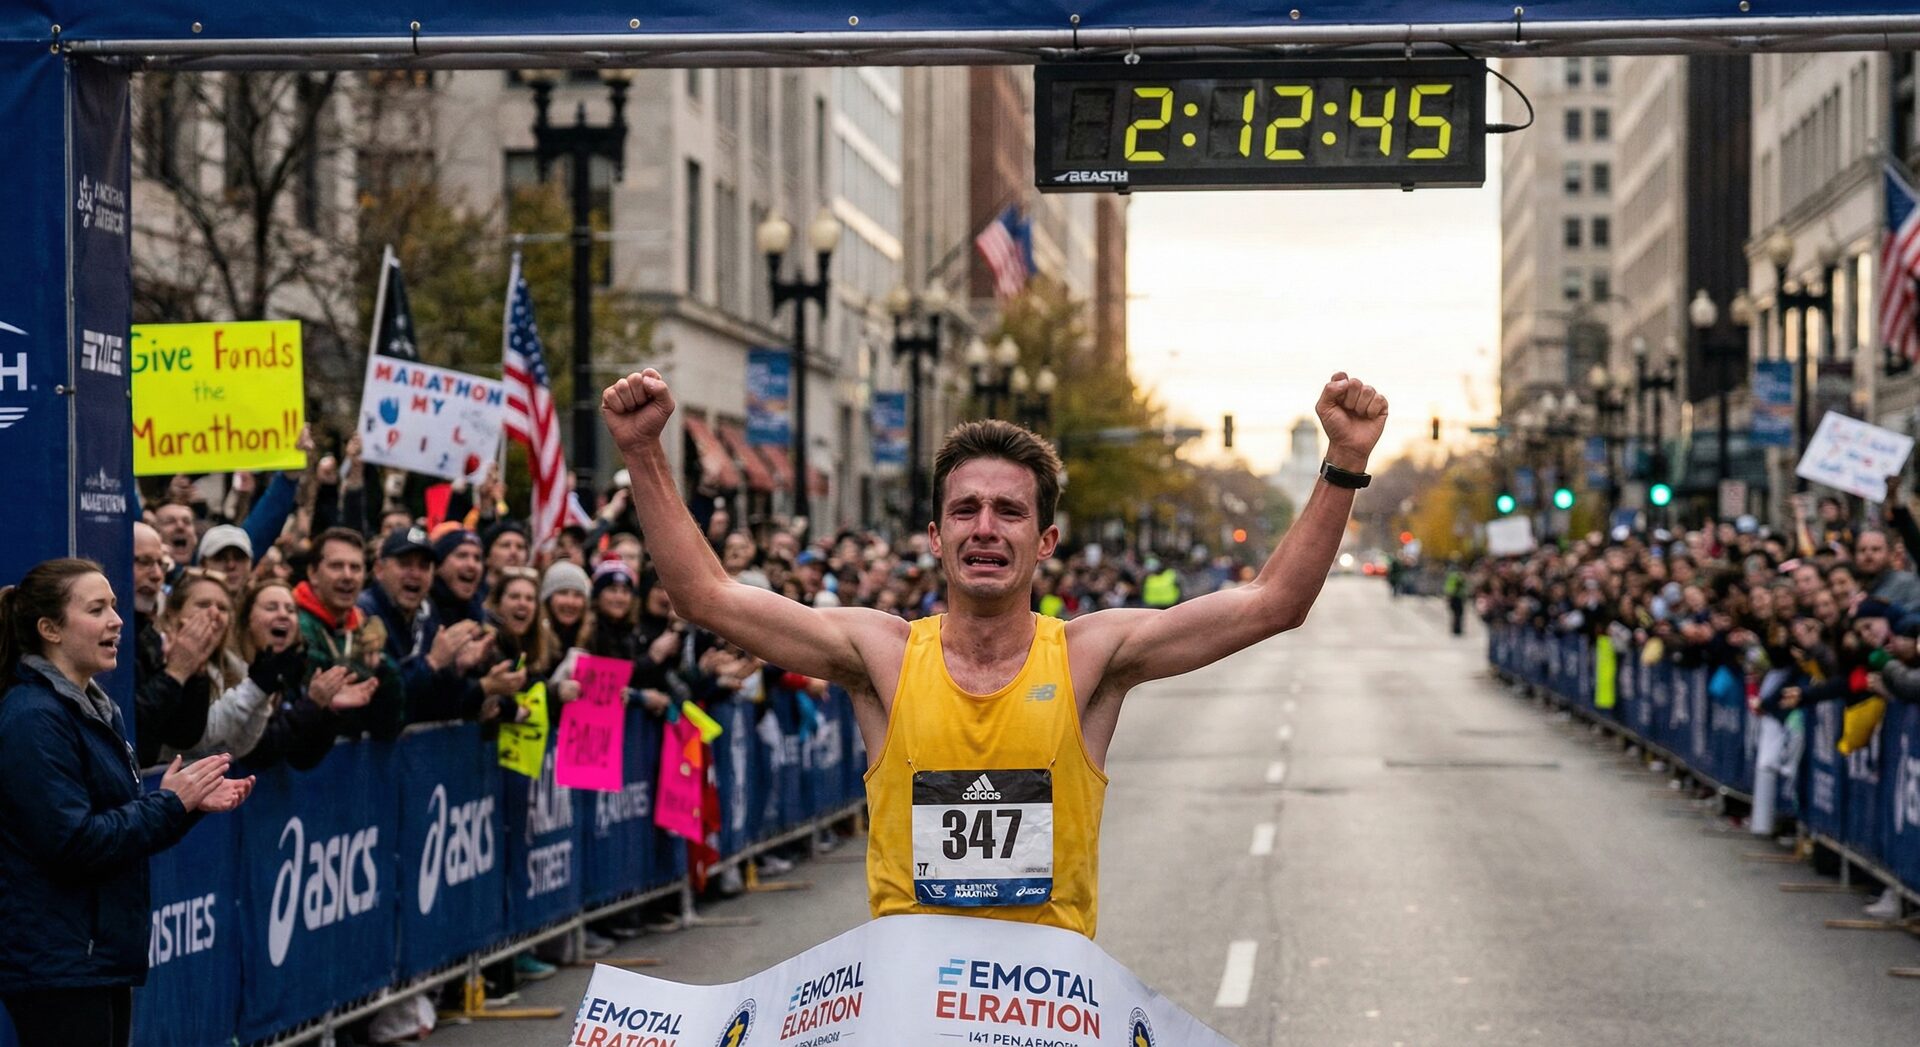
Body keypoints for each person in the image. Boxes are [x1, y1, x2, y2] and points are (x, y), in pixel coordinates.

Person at [601, 367, 1386, 937]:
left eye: (1009, 511)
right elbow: (708, 598)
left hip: (1044, 1011)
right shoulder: (879, 654)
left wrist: (1343, 463)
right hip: (912, 1009)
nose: (986, 527)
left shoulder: (1090, 655)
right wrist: (642, 453)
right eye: (965, 510)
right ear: (936, 538)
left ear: (1044, 540)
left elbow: (1273, 602)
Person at [0, 558, 254, 1047]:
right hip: (58, 958)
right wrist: (169, 806)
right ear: (49, 629)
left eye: (114, 606)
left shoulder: (93, 705)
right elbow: (73, 841)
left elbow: (118, 827)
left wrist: (187, 805)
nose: (117, 621)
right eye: (97, 609)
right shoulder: (33, 718)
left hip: (95, 953)